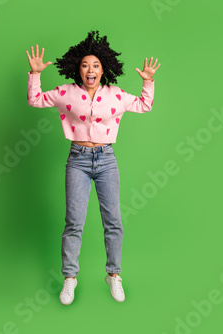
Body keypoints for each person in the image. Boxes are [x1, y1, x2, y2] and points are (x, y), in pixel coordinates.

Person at [25, 31, 160, 305]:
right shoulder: (67, 92)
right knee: (74, 222)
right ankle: (70, 279)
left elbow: (145, 105)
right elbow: (35, 99)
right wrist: (34, 74)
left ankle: (113, 274)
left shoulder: (116, 95)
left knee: (113, 221)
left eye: (96, 65)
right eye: (86, 65)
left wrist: (148, 81)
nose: (90, 69)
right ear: (78, 68)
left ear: (104, 69)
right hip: (78, 160)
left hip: (107, 160)